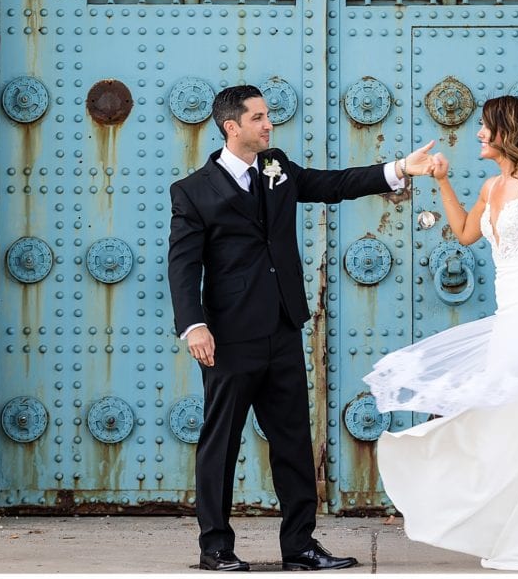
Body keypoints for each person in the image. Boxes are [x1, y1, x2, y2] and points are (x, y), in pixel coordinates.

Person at [168, 83, 437, 572]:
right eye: (258, 118)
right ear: (232, 127)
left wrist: (397, 169)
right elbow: (183, 265)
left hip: (283, 329)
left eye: (267, 116)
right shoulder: (192, 191)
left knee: (293, 443)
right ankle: (216, 548)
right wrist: (193, 325)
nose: (268, 124)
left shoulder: (276, 168)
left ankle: (300, 547)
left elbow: (329, 185)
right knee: (220, 443)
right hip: (229, 338)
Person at [365, 96, 518, 571]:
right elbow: (462, 232)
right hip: (507, 325)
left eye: (485, 127)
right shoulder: (491, 186)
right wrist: (441, 183)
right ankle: (515, 533)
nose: (479, 134)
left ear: (507, 134)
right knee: (498, 430)